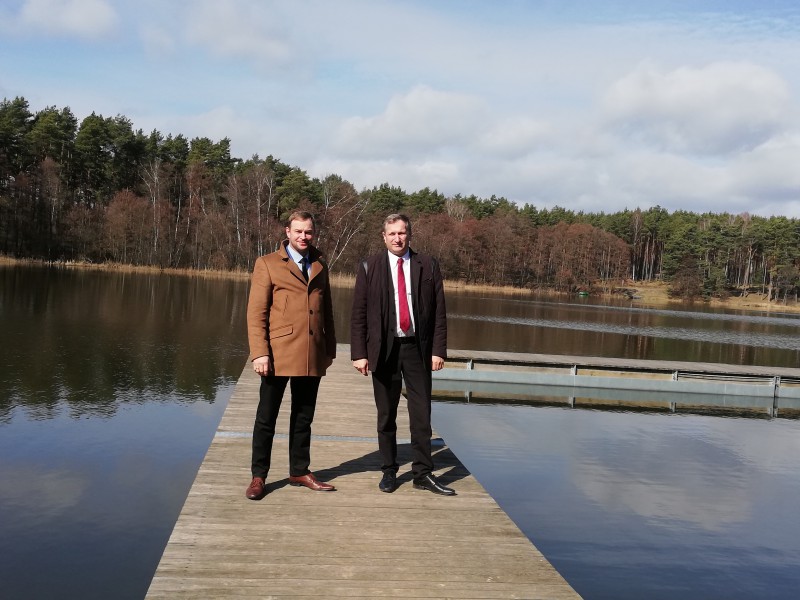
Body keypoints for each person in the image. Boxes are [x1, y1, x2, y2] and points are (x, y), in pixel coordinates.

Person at [350, 213, 455, 496]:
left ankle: (423, 473)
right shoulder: (369, 266)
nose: (397, 238)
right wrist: (359, 353)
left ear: (409, 234)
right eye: (392, 234)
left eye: (402, 233)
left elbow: (439, 312)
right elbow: (359, 314)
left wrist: (438, 350)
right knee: (386, 414)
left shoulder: (428, 265)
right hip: (384, 349)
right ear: (383, 237)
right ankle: (389, 470)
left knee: (421, 414)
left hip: (417, 348)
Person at [245, 210, 337, 500]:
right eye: (298, 231)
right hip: (278, 354)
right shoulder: (267, 264)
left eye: (308, 231)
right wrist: (260, 353)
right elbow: (256, 313)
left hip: (312, 353)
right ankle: (259, 476)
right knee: (266, 418)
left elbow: (327, 310)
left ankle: (299, 470)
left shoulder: (320, 263)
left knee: (303, 417)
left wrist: (329, 349)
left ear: (314, 233)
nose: (303, 236)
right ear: (287, 232)